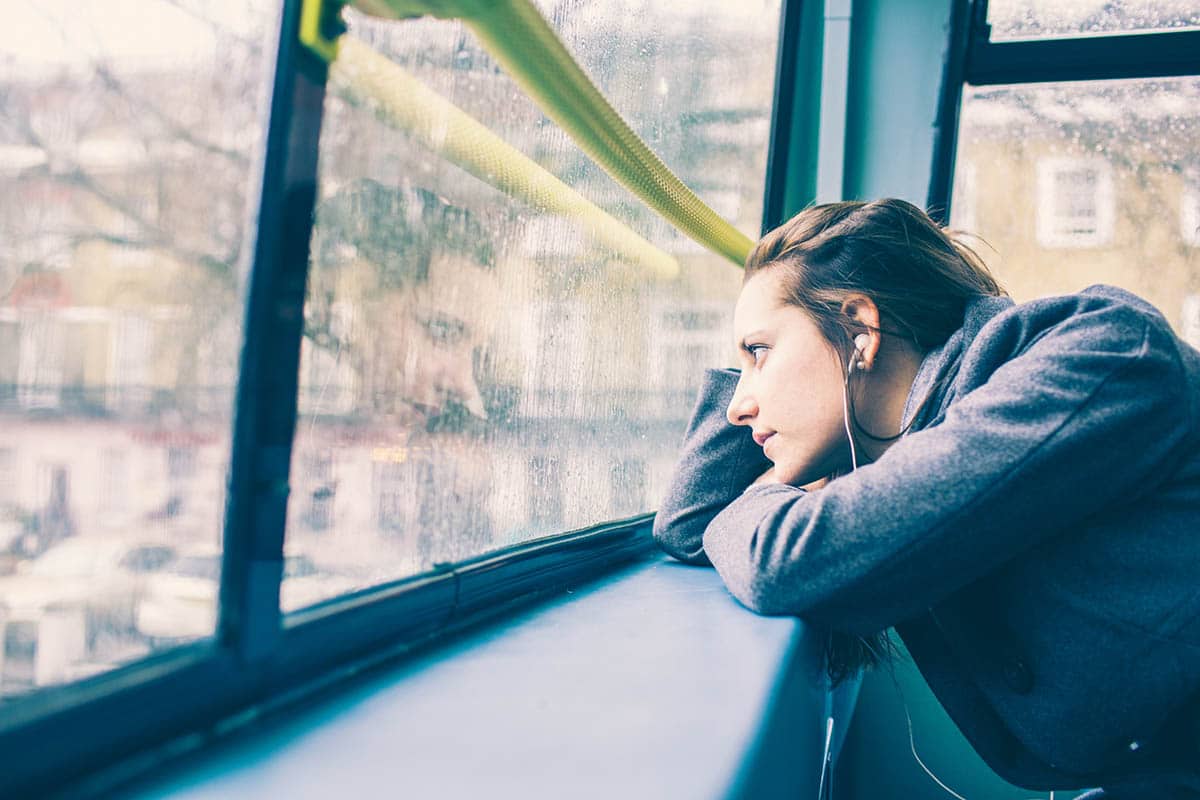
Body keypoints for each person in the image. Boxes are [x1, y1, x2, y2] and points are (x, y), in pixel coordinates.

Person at [652, 198, 1200, 798]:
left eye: (759, 353)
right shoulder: (900, 444)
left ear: (860, 330)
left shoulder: (1104, 353)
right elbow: (693, 520)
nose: (737, 407)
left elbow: (787, 562)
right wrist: (761, 363)